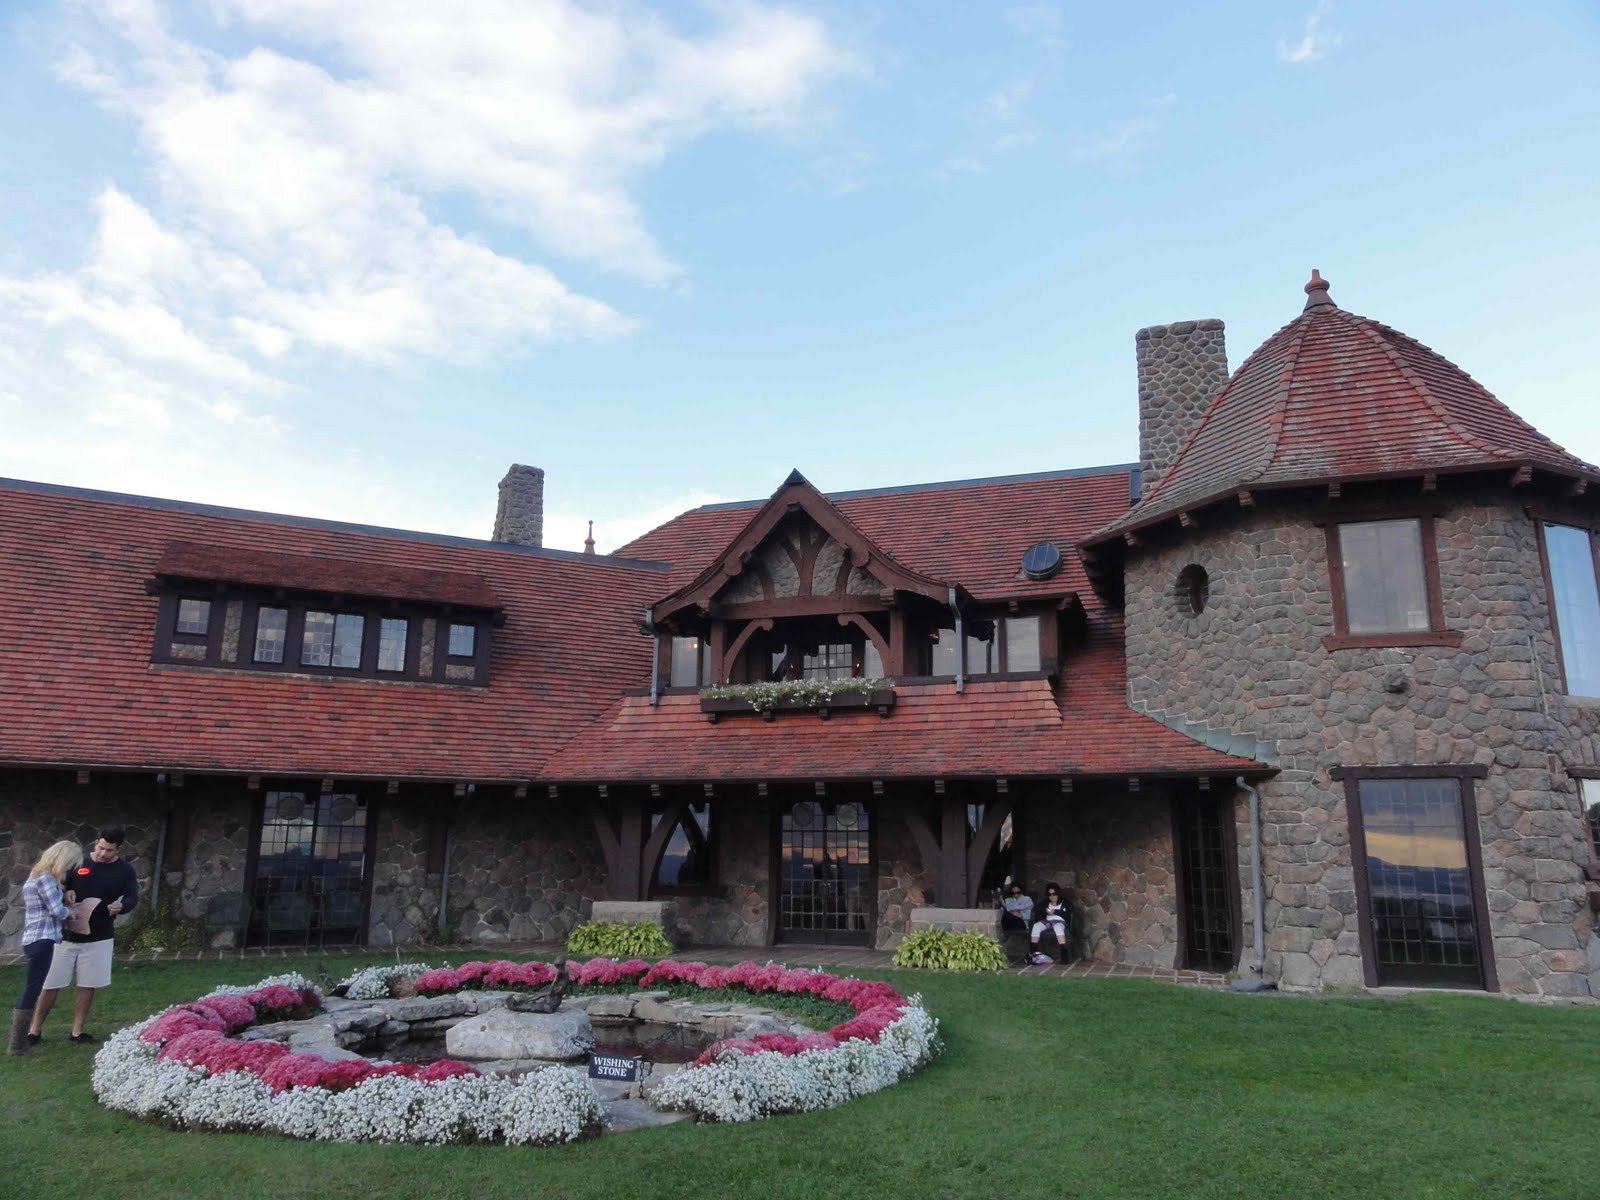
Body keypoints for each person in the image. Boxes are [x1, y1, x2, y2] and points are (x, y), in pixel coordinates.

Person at [29, 826, 138, 1046]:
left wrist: (122, 906)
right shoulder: (77, 863)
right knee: (50, 983)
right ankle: (34, 1029)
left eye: (109, 850)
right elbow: (56, 885)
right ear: (95, 843)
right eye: (100, 848)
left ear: (117, 850)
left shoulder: (125, 870)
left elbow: (131, 897)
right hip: (66, 935)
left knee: (88, 984)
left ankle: (77, 1031)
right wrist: (65, 893)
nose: (102, 853)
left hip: (100, 935)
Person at [9, 841, 83, 1055]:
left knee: (32, 987)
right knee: (32, 989)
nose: (70, 869)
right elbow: (57, 911)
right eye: (70, 864)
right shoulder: (46, 879)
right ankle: (17, 1045)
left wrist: (65, 895)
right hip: (43, 939)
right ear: (63, 859)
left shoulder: (36, 877)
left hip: (34, 939)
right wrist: (72, 912)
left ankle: (18, 1043)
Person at [1029, 882, 1071, 965]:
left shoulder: (1064, 902)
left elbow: (1068, 912)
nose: (1052, 896)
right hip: (1047, 921)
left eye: (1054, 894)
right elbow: (1037, 909)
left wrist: (1055, 911)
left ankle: (1064, 957)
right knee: (1036, 926)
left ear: (1058, 894)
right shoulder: (1046, 902)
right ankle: (1033, 954)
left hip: (1059, 921)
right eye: (1050, 894)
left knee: (1058, 928)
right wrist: (1045, 910)